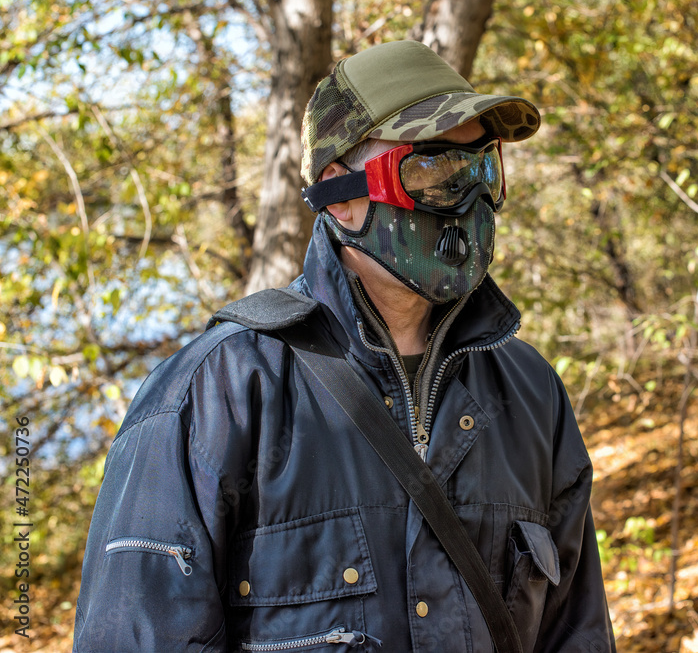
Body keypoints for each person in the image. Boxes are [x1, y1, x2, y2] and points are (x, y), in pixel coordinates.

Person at [74, 40, 615, 652]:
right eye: (433, 169)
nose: (468, 200)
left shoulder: (531, 393)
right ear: (344, 193)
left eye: (482, 167)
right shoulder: (219, 392)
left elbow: (578, 634)